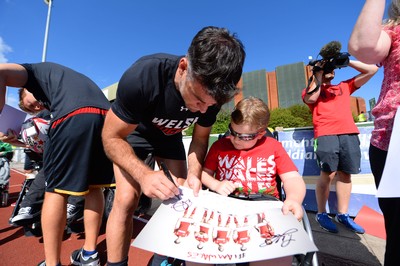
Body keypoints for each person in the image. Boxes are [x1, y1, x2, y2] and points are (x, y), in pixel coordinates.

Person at [102, 26, 245, 266]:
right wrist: (144, 174)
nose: (202, 110)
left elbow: (200, 139)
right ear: (183, 68)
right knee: (127, 198)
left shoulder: (212, 97)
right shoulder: (143, 76)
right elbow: (110, 138)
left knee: (184, 197)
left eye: (209, 105)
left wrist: (195, 175)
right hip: (133, 134)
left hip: (169, 137)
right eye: (198, 100)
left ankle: (168, 257)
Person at [0, 62, 114, 266]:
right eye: (31, 109)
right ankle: (90, 255)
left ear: (25, 89)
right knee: (95, 188)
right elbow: (47, 143)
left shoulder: (32, 73)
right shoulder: (63, 82)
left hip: (75, 116)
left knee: (55, 191)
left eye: (30, 104)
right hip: (107, 118)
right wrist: (16, 141)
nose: (36, 108)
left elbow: (0, 69)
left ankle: (52, 263)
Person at [195, 97, 306, 266]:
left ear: (260, 133)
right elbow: (202, 174)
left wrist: (293, 199)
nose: (235, 139)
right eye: (232, 131)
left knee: (272, 257)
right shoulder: (220, 146)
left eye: (244, 136)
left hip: (265, 209)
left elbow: (292, 178)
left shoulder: (273, 146)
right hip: (226, 207)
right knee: (197, 255)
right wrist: (216, 184)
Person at [302, 46, 378, 234]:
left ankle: (342, 214)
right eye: (328, 68)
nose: (331, 71)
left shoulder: (344, 85)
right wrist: (318, 73)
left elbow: (372, 70)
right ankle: (321, 213)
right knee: (327, 174)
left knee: (346, 174)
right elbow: (311, 99)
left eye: (332, 69)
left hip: (349, 134)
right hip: (326, 134)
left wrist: (345, 61)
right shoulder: (312, 88)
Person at [348, 0, 400, 264]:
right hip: (392, 140)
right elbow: (365, 52)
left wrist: (347, 62)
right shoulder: (331, 89)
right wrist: (320, 75)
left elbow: (368, 70)